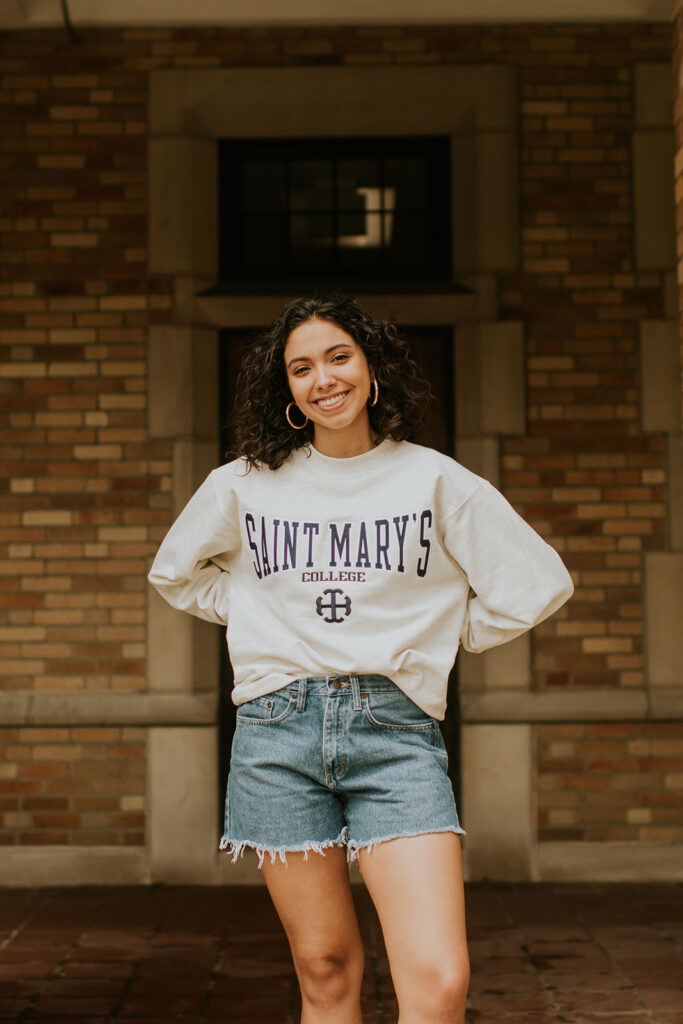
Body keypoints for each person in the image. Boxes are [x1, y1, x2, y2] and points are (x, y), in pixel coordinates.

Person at [148, 294, 574, 1024]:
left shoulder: (434, 481)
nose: (323, 379)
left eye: (338, 357)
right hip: (277, 733)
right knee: (324, 970)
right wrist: (256, 611)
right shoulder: (243, 485)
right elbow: (175, 573)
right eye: (301, 368)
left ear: (372, 369)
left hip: (395, 732)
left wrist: (445, 631)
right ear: (286, 390)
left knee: (438, 981)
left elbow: (537, 582)